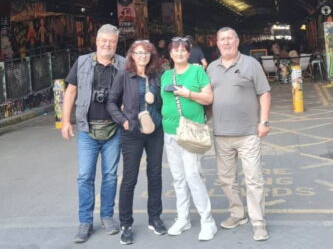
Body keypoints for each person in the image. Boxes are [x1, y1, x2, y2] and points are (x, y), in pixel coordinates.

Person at [61, 24, 125, 243]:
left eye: (112, 42)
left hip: (113, 129)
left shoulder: (124, 64)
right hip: (87, 129)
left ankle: (107, 216)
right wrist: (65, 121)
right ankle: (85, 221)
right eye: (104, 41)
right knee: (84, 176)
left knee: (110, 176)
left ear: (116, 43)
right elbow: (70, 91)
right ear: (97, 41)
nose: (107, 45)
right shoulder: (82, 62)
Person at [207, 27, 272, 241]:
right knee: (226, 180)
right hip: (221, 134)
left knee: (254, 179)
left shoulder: (250, 64)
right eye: (222, 39)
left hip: (248, 133)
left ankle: (258, 222)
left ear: (237, 41)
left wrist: (264, 121)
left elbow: (264, 93)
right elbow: (205, 99)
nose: (226, 42)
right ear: (217, 43)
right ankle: (237, 214)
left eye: (230, 39)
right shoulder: (211, 69)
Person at [106, 40, 166, 244]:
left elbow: (164, 103)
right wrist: (123, 122)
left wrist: (155, 99)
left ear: (151, 56)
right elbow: (111, 102)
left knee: (155, 174)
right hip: (132, 131)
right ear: (132, 55)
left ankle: (155, 218)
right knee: (130, 178)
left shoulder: (156, 76)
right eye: (138, 53)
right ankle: (126, 223)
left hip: (156, 131)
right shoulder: (124, 76)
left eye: (146, 53)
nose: (142, 56)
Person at [160, 36, 217, 241]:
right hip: (170, 132)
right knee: (178, 178)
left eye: (183, 50)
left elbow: (209, 98)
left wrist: (187, 94)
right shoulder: (166, 75)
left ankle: (207, 220)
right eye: (175, 50)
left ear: (189, 52)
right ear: (170, 53)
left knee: (192, 175)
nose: (179, 53)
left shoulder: (197, 71)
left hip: (191, 131)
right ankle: (183, 218)